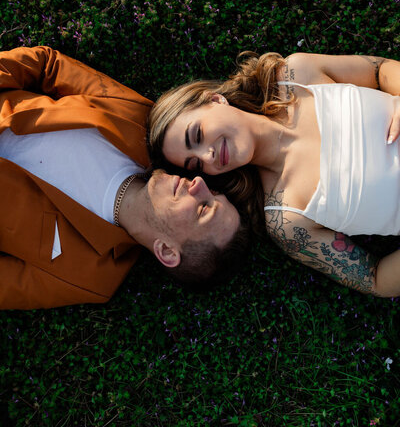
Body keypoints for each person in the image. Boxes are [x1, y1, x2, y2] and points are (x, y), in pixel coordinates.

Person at [0, 46, 248, 310]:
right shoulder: (140, 121)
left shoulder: (89, 277)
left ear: (166, 251)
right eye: (213, 193)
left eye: (202, 208)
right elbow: (47, 64)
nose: (200, 184)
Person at [148, 51, 400, 297]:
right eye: (196, 165)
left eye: (198, 136)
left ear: (215, 100)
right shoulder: (287, 219)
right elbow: (374, 279)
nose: (207, 156)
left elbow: (379, 70)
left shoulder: (297, 73)